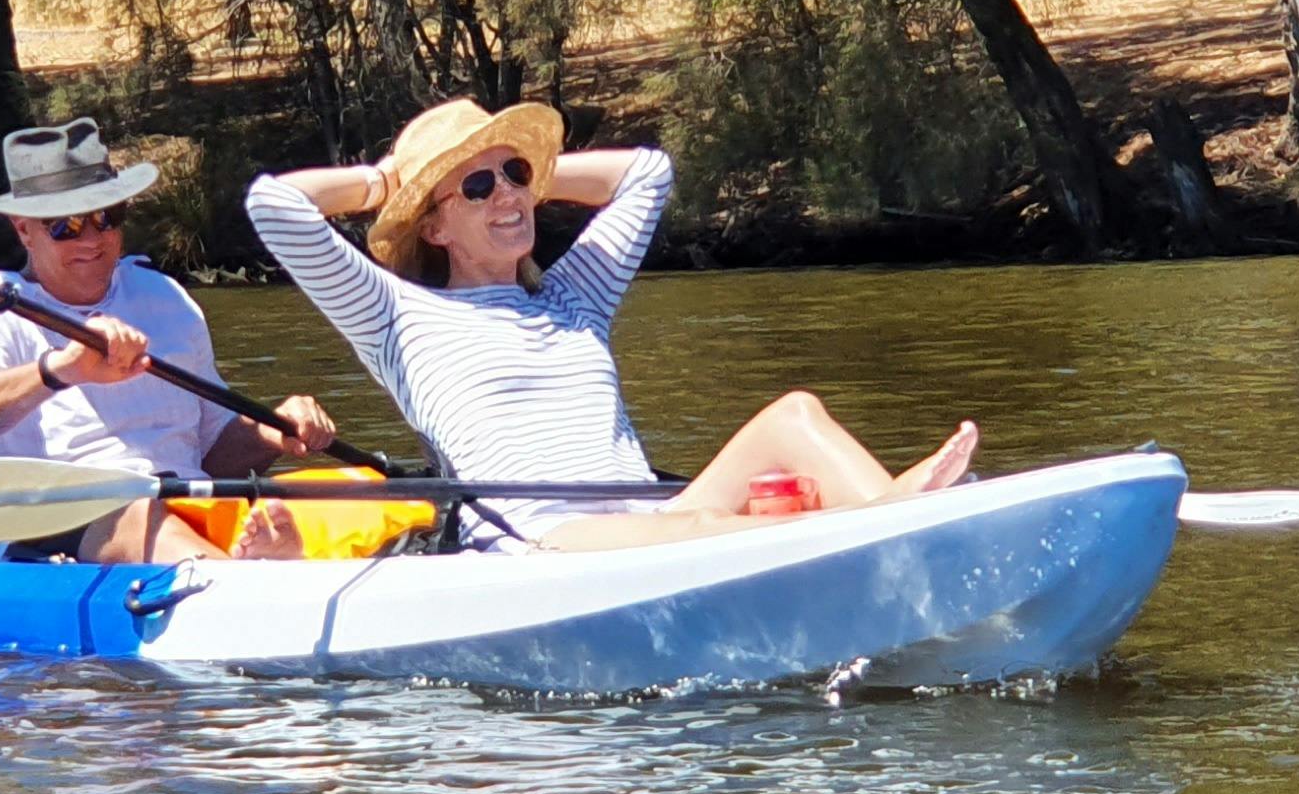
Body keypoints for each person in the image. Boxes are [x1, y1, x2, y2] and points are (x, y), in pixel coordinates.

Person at [248, 99, 973, 551]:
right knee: (703, 530)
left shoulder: (573, 297)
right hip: (546, 543)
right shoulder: (396, 316)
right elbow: (272, 206)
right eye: (476, 186)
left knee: (795, 416)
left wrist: (532, 170)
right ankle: (883, 527)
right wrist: (390, 186)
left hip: (656, 518)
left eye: (515, 177)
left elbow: (648, 173)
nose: (507, 195)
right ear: (434, 226)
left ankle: (899, 527)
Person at [0, 119, 337, 562]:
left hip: (183, 502)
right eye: (65, 226)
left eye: (108, 217)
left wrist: (270, 432)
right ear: (24, 229)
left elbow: (210, 460)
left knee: (346, 491)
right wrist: (59, 371)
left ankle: (254, 564)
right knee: (138, 515)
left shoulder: (166, 298)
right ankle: (249, 579)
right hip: (54, 524)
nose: (92, 239)